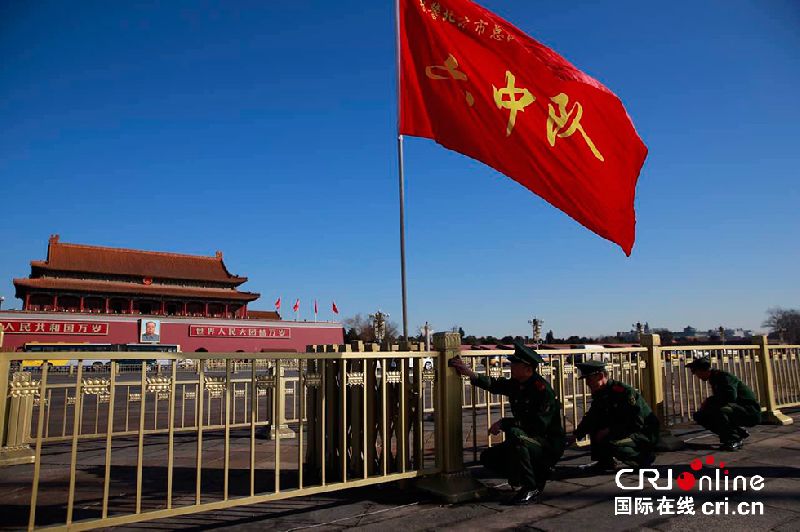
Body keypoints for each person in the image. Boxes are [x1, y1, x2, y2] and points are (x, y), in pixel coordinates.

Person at [450, 341, 564, 505]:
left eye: (515, 364)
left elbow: (537, 426)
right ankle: (526, 473)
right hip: (529, 439)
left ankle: (531, 486)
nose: (511, 367)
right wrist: (469, 373)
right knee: (488, 457)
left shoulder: (542, 391)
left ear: (528, 369)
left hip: (545, 443)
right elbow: (495, 385)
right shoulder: (517, 383)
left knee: (516, 436)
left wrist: (505, 423)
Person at [571, 360, 659, 470]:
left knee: (612, 442)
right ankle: (605, 462)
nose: (587, 383)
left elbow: (635, 421)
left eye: (589, 378)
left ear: (600, 376)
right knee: (596, 426)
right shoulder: (601, 393)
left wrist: (609, 430)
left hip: (643, 432)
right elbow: (592, 416)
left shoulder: (623, 391)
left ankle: (642, 459)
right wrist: (576, 434)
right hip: (627, 429)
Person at [686, 356, 760, 451]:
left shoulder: (724, 377)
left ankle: (734, 440)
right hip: (736, 409)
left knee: (719, 411)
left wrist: (709, 401)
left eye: (695, 372)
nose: (696, 375)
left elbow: (730, 397)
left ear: (702, 370)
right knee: (700, 416)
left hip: (749, 411)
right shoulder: (714, 378)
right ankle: (737, 431)